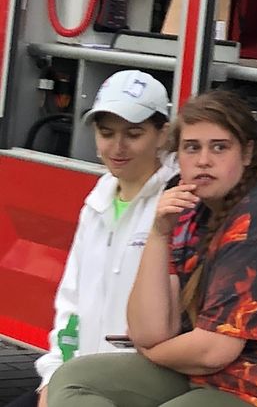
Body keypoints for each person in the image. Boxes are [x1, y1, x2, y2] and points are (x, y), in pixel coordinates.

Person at [48, 90, 257, 407]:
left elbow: (213, 351)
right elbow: (148, 330)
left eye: (219, 147)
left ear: (247, 153)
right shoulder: (187, 203)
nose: (203, 160)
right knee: (75, 379)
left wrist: (152, 352)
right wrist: (158, 233)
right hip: (216, 375)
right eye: (192, 148)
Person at [4, 70, 175, 407]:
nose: (118, 146)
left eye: (134, 133)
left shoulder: (176, 204)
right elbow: (71, 302)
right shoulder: (98, 199)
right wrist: (54, 377)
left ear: (163, 134)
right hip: (80, 381)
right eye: (106, 133)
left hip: (138, 385)